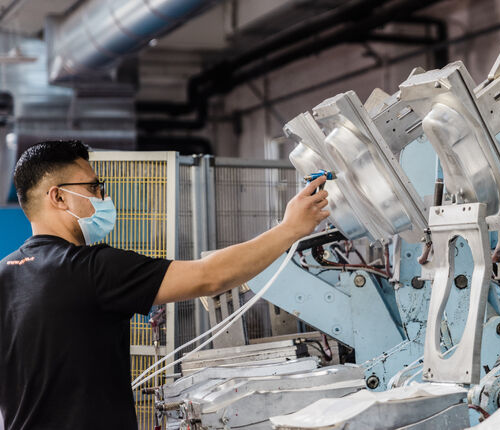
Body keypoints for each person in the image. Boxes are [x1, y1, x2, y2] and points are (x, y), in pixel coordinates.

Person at [0, 140, 329, 430]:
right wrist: (289, 229)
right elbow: (209, 276)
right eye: (94, 187)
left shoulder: (4, 274)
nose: (103, 196)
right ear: (58, 197)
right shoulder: (91, 269)